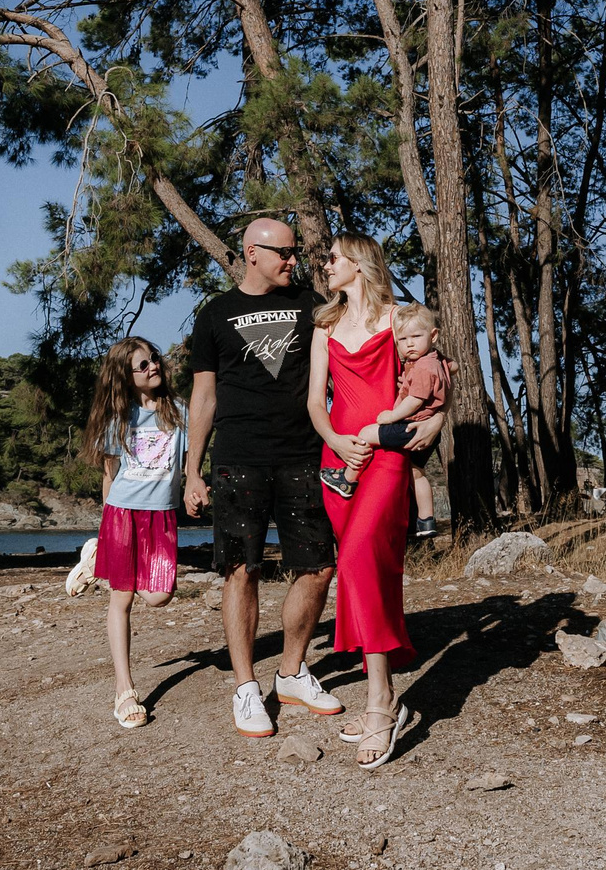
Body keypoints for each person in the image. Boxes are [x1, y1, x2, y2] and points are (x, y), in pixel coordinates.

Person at [185, 216, 345, 738]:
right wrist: (192, 469)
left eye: (294, 253)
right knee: (241, 570)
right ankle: (245, 687)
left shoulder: (310, 307)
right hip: (238, 457)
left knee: (319, 567)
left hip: (304, 453)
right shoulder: (215, 314)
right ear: (252, 253)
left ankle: (292, 672)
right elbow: (204, 397)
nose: (293, 261)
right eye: (284, 253)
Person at [308, 235, 440, 768]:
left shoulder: (396, 320)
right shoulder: (324, 326)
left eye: (333, 258)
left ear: (358, 264)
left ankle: (382, 702)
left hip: (385, 453)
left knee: (361, 556)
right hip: (338, 458)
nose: (325, 265)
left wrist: (435, 420)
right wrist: (336, 442)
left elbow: (435, 378)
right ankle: (381, 690)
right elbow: (316, 401)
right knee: (364, 570)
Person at [81, 338, 185, 730]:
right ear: (126, 376)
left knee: (158, 596)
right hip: (122, 513)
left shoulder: (180, 414)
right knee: (121, 598)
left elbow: (189, 465)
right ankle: (125, 689)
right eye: (142, 365)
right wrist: (106, 528)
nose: (152, 367)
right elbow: (110, 478)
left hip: (161, 516)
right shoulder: (118, 420)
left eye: (153, 360)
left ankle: (96, 558)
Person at [363, 305, 449, 541]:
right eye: (403, 339)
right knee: (416, 472)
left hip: (410, 426)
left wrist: (391, 416)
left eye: (416, 337)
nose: (409, 344)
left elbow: (414, 400)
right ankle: (426, 519)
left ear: (433, 336)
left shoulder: (423, 366)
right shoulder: (434, 359)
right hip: (425, 429)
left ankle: (346, 478)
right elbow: (454, 366)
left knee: (366, 433)